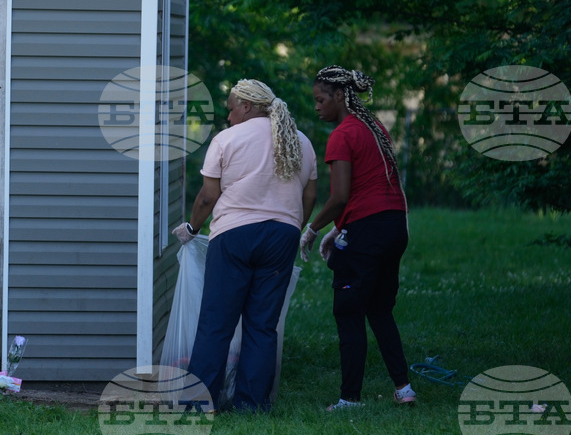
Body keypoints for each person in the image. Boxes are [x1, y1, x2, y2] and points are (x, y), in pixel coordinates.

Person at [173, 78, 317, 412]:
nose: (227, 116)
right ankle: (252, 404)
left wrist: (192, 227)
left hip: (235, 236)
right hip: (282, 237)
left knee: (216, 322)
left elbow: (209, 195)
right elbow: (309, 195)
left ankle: (198, 404)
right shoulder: (301, 142)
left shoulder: (227, 139)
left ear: (247, 107)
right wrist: (294, 226)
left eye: (230, 108)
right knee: (263, 325)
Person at [299, 65, 416, 411]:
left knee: (348, 311)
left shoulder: (342, 135)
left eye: (321, 100)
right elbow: (372, 191)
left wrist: (313, 229)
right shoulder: (375, 127)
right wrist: (340, 229)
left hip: (368, 231)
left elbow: (339, 197)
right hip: (395, 225)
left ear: (339, 95)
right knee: (380, 309)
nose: (317, 107)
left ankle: (349, 399)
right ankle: (404, 388)